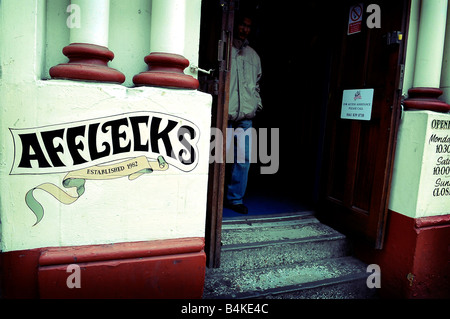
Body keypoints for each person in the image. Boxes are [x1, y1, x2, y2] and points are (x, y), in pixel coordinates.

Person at [224, 13, 262, 214]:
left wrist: (257, 104)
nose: (244, 29)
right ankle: (214, 197)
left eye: (248, 26)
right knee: (220, 157)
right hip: (225, 115)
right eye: (241, 24)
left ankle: (235, 199)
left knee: (243, 158)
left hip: (246, 117)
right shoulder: (222, 50)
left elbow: (256, 85)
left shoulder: (254, 56)